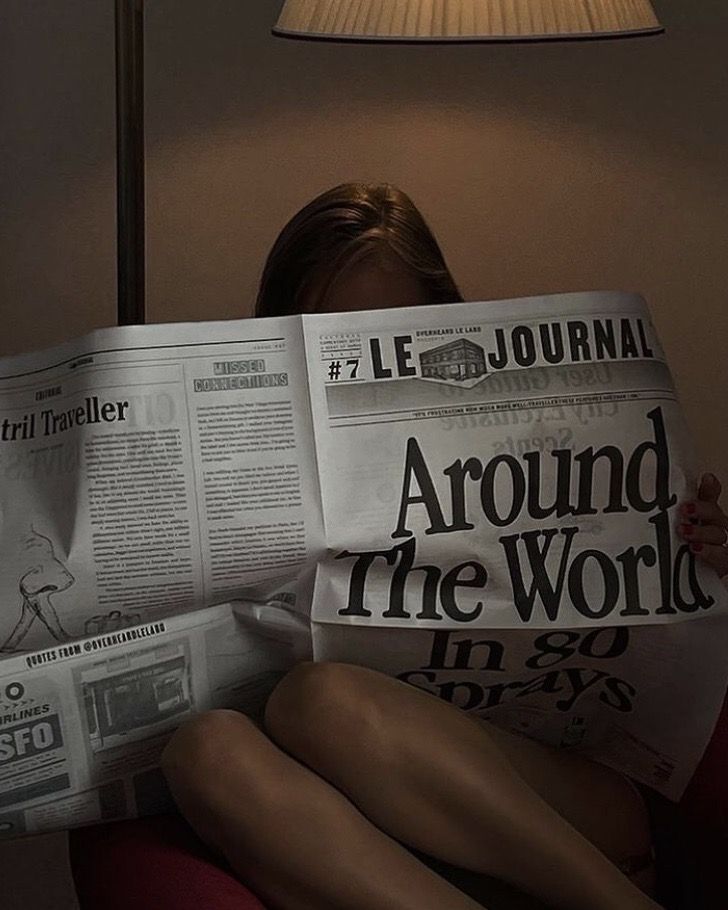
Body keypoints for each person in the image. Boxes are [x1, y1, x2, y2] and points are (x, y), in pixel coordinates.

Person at [161, 183, 728, 910]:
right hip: (377, 843)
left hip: (563, 800)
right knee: (203, 754)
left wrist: (703, 551)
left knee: (323, 700)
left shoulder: (542, 436)